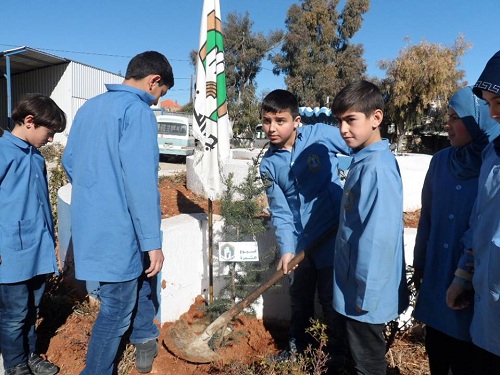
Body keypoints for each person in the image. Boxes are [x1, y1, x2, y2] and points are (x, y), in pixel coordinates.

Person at [62, 51, 173, 375]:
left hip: (92, 223)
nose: (156, 102)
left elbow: (70, 163)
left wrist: (97, 194)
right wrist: (152, 241)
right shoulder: (137, 111)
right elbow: (140, 182)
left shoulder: (89, 107)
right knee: (116, 308)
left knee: (139, 280)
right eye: (160, 95)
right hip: (121, 227)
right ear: (154, 81)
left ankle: (143, 338)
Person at [259, 89, 350, 372]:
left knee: (331, 299)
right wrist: (287, 249)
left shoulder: (320, 136)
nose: (272, 128)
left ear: (296, 120)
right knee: (299, 299)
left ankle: (336, 356)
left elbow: (358, 148)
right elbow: (281, 211)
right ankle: (298, 351)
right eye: (266, 121)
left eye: (280, 120)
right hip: (300, 242)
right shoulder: (268, 165)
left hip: (332, 236)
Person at [412, 86, 499, 375]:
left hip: (473, 286)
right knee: (437, 352)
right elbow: (427, 219)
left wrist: (465, 273)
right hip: (438, 277)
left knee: (468, 360)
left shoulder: (492, 163)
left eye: (455, 117)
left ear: (477, 119)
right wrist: (421, 266)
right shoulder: (440, 162)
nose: (446, 125)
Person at [331, 80, 409, 375]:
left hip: (365, 295)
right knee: (357, 360)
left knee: (368, 364)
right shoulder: (363, 161)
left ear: (376, 118)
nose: (343, 130)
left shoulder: (376, 168)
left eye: (351, 120)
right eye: (340, 121)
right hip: (357, 288)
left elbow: (379, 237)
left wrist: (368, 293)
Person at [0, 94, 66, 375]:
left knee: (32, 311)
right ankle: (15, 364)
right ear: (29, 121)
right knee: (14, 316)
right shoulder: (3, 152)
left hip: (38, 252)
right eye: (48, 132)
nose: (50, 140)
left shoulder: (36, 157)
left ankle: (30, 356)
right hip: (11, 253)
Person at [447, 50, 500, 373]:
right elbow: (479, 224)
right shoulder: (493, 156)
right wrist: (462, 277)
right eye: (491, 104)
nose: (494, 114)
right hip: (487, 315)